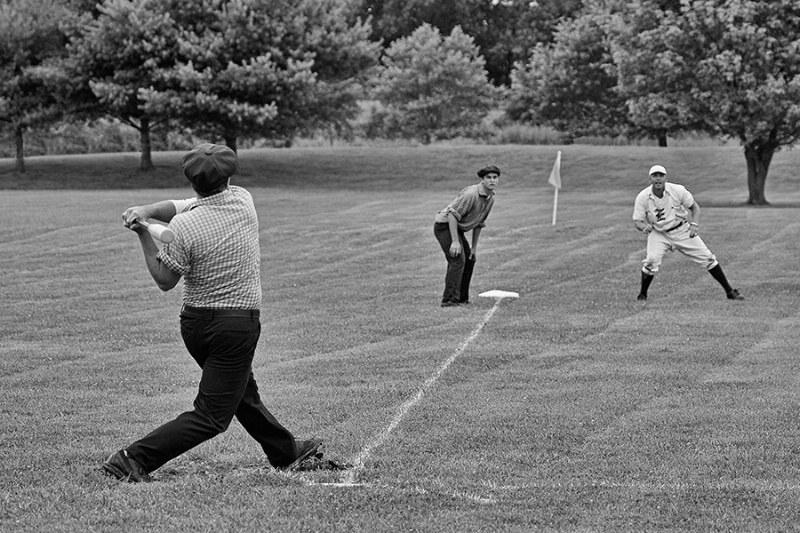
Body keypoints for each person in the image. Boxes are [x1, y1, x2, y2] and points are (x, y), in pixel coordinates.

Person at [103, 143, 323, 482]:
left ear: (192, 181)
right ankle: (131, 459)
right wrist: (147, 221)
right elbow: (181, 217)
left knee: (242, 392)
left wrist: (143, 226)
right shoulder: (242, 201)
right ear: (228, 177)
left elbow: (165, 278)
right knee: (211, 417)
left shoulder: (185, 227)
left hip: (197, 325)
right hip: (234, 327)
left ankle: (287, 452)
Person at [632, 164, 744, 302]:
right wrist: (643, 227)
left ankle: (730, 292)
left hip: (681, 229)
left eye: (661, 175)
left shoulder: (678, 190)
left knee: (708, 258)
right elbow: (637, 220)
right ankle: (642, 295)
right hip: (659, 233)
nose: (658, 179)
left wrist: (694, 224)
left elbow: (694, 207)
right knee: (651, 261)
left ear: (666, 177)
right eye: (655, 176)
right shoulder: (643, 197)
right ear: (650, 179)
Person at [433, 164, 500, 307]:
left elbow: (479, 223)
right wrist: (455, 242)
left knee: (469, 259)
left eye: (495, 177)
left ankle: (462, 298)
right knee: (457, 260)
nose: (492, 180)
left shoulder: (490, 197)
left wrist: (474, 248)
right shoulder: (471, 194)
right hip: (444, 225)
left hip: (456, 228)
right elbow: (452, 215)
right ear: (482, 180)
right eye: (488, 177)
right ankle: (449, 300)